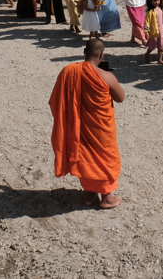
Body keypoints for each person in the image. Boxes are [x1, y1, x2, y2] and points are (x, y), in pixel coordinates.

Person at [49, 38, 124, 209]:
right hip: (101, 130)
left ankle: (90, 194)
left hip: (80, 127)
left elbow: (56, 100)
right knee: (104, 158)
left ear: (84, 52)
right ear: (101, 55)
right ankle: (106, 198)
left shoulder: (68, 71)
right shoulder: (107, 76)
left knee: (85, 156)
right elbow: (120, 98)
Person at [144, 0, 163, 64]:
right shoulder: (150, 12)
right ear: (151, 1)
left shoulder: (161, 9)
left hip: (161, 30)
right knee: (152, 44)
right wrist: (147, 32)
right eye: (154, 0)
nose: (156, 2)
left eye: (157, 0)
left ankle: (159, 59)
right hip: (154, 31)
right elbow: (147, 22)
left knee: (161, 45)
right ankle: (147, 54)